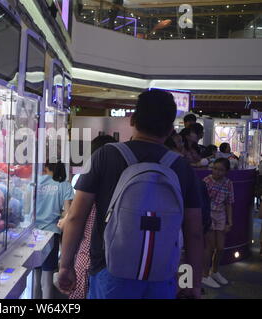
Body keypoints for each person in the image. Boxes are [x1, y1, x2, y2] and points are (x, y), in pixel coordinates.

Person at [58, 89, 203, 299]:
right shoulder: (182, 167)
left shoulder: (104, 155)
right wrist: (192, 283)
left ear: (133, 119)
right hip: (162, 274)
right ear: (171, 129)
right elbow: (194, 232)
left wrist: (66, 265)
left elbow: (76, 216)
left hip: (110, 269)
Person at [59, 134, 116, 300]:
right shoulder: (117, 188)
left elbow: (74, 219)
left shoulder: (88, 185)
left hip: (86, 259)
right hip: (113, 263)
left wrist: (65, 264)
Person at [33, 160, 73, 299]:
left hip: (33, 233)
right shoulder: (64, 185)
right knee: (47, 277)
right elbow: (69, 214)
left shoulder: (35, 181)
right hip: (51, 234)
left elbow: (27, 206)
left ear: (46, 167)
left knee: (35, 276)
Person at [202, 158, 234, 288]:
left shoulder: (228, 183)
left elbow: (229, 203)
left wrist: (229, 222)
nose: (217, 172)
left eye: (221, 170)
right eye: (215, 168)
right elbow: (202, 202)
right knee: (209, 247)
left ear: (226, 171)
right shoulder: (206, 181)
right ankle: (204, 275)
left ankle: (215, 271)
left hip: (221, 215)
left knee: (220, 248)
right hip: (208, 214)